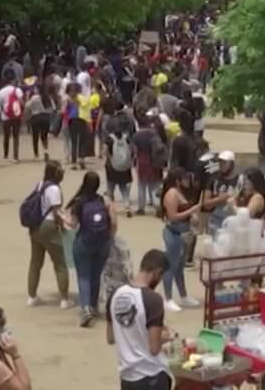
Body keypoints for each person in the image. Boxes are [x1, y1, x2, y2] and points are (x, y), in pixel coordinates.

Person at [107, 249, 172, 390]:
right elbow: (154, 348)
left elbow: (111, 337)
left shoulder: (115, 294)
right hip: (151, 375)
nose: (159, 282)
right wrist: (164, 338)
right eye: (160, 277)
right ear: (156, 272)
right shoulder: (153, 300)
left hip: (127, 378)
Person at [68, 171, 117, 327]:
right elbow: (114, 222)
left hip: (84, 242)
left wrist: (63, 218)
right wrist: (110, 237)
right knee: (96, 275)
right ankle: (94, 306)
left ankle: (86, 309)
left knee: (84, 276)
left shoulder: (79, 202)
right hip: (103, 243)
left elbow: (73, 224)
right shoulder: (103, 200)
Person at [26, 161, 72, 309]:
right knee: (60, 264)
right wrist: (63, 226)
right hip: (49, 226)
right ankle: (64, 299)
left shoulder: (40, 184)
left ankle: (32, 297)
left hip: (35, 226)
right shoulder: (54, 189)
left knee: (35, 263)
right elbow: (56, 211)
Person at [159, 167, 200, 312]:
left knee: (179, 268)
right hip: (173, 234)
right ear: (177, 181)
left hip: (184, 234)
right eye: (185, 178)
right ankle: (168, 298)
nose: (188, 181)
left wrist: (192, 216)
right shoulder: (171, 194)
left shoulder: (180, 192)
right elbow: (172, 216)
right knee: (170, 267)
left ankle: (183, 295)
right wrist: (191, 211)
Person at [201, 150, 239, 235]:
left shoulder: (240, 180)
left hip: (233, 221)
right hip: (216, 222)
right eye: (220, 162)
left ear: (232, 164)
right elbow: (205, 204)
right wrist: (220, 199)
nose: (221, 165)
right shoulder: (213, 180)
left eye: (224, 163)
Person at [0, 71, 25, 163]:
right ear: (13, 80)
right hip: (16, 116)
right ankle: (15, 156)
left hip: (6, 116)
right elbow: (22, 103)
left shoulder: (1, 92)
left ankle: (6, 154)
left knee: (6, 136)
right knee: (16, 136)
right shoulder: (18, 90)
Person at [25, 82, 51, 158]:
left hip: (36, 117)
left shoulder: (34, 97)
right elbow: (52, 108)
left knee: (35, 136)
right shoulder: (47, 97)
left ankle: (36, 153)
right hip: (46, 117)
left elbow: (27, 106)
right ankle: (46, 150)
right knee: (44, 136)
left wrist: (27, 97)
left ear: (38, 89)